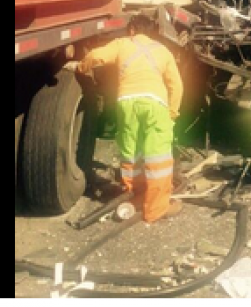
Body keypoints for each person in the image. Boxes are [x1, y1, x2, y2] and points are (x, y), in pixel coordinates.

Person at [64, 15, 184, 223]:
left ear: (131, 30)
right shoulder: (163, 51)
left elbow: (95, 56)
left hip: (126, 102)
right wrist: (172, 113)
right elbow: (177, 86)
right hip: (155, 103)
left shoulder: (122, 44)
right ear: (151, 32)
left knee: (131, 150)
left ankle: (134, 195)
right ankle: (156, 209)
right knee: (158, 157)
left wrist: (81, 67)